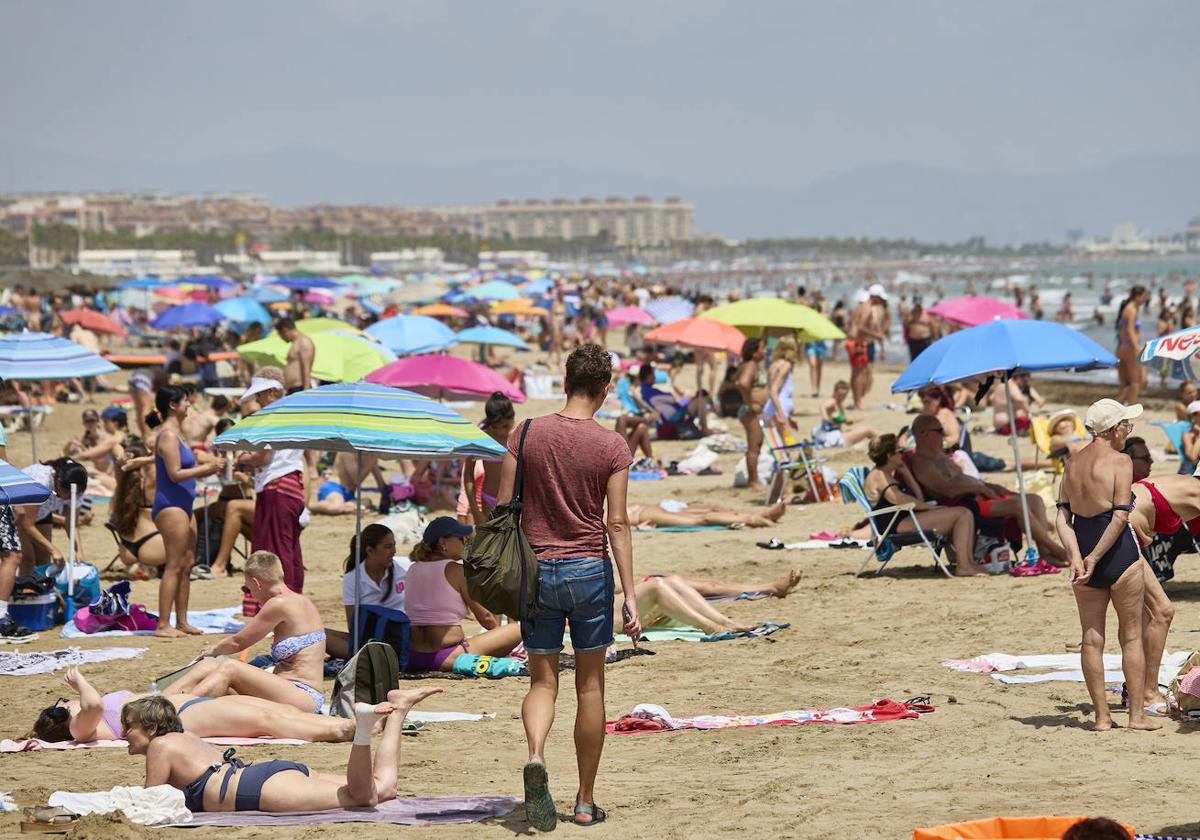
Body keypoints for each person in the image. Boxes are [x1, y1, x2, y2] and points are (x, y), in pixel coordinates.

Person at [495, 343, 639, 829]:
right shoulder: (613, 446)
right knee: (591, 685)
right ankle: (583, 801)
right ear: (604, 390)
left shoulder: (526, 432)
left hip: (536, 570)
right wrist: (631, 593)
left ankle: (536, 755)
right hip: (588, 571)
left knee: (542, 680)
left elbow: (501, 508)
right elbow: (615, 523)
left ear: (563, 383)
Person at [120, 687, 442, 812]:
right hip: (264, 776)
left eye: (130, 726)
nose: (124, 734)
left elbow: (152, 804)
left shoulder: (160, 746)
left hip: (255, 789)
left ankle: (363, 728)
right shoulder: (185, 737)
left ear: (151, 728)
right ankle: (398, 710)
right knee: (381, 789)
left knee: (362, 796)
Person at [1054, 398, 1159, 731]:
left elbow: (1061, 515)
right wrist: (1096, 556)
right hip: (1116, 553)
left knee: (1091, 638)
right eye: (1127, 425)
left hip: (1083, 548)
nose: (1128, 430)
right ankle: (1137, 716)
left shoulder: (1072, 462)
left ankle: (1101, 717)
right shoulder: (1121, 460)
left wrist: (1075, 556)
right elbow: (1119, 516)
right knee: (1130, 636)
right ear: (1114, 429)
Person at [30, 667, 359, 745]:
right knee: (268, 719)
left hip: (190, 706)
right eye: (63, 702)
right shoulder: (78, 727)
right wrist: (80, 683)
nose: (67, 700)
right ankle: (342, 730)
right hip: (186, 716)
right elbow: (95, 705)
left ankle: (351, 725)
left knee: (283, 713)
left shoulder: (80, 718)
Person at [175, 551, 328, 713]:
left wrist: (213, 650)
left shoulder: (278, 604)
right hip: (288, 690)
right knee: (208, 668)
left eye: (247, 589)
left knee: (230, 668)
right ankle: (161, 700)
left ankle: (176, 712)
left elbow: (238, 642)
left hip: (303, 694)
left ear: (257, 583)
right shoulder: (302, 601)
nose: (252, 595)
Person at [907, 414, 1067, 565]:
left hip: (978, 494)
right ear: (923, 434)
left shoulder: (940, 456)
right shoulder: (922, 463)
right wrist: (980, 488)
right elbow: (947, 490)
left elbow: (963, 479)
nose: (944, 434)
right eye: (939, 431)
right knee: (1017, 506)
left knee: (1034, 500)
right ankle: (1054, 549)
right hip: (964, 503)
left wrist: (990, 486)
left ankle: (1045, 554)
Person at [404, 517, 522, 672]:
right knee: (516, 630)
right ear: (443, 543)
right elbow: (485, 618)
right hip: (447, 656)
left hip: (413, 655)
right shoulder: (456, 570)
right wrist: (500, 638)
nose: (465, 541)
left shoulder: (412, 569)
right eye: (460, 538)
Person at [150, 385, 221, 637]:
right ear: (172, 405)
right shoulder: (168, 435)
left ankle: (181, 621)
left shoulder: (176, 434)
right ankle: (162, 625)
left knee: (188, 563)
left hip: (183, 505)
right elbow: (175, 474)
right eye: (185, 402)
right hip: (169, 506)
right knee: (174, 564)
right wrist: (207, 469)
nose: (189, 405)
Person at [865, 434, 982, 576]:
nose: (903, 453)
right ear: (890, 455)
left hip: (905, 519)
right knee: (961, 514)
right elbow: (901, 499)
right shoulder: (879, 476)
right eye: (900, 451)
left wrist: (906, 473)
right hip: (894, 525)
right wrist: (930, 508)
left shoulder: (887, 474)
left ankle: (969, 563)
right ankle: (963, 566)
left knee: (965, 512)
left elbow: (917, 498)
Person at [235, 372, 306, 593]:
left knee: (274, 551)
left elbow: (263, 457)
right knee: (290, 548)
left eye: (260, 396)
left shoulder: (272, 416)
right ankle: (292, 596)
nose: (258, 401)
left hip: (276, 485)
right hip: (292, 485)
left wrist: (242, 459)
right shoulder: (294, 415)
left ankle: (281, 600)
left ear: (271, 392)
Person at [327, 523, 411, 659]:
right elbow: (353, 625)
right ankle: (373, 657)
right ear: (370, 551)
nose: (394, 551)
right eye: (388, 547)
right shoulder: (353, 578)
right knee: (318, 635)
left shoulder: (405, 566)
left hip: (401, 636)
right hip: (369, 640)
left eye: (394, 545)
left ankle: (371, 658)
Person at [16, 457, 90, 572]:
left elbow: (71, 524)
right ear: (58, 480)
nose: (67, 498)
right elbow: (27, 524)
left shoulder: (77, 490)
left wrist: (78, 550)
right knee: (28, 558)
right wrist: (53, 550)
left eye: (72, 495)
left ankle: (39, 588)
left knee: (44, 558)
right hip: (16, 514)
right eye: (65, 492)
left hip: (43, 513)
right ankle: (25, 589)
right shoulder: (40, 482)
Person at [110, 438, 166, 579]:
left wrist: (123, 457)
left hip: (127, 548)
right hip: (153, 543)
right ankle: (151, 565)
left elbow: (115, 445)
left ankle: (140, 566)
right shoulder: (153, 477)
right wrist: (153, 453)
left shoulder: (122, 475)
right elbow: (173, 454)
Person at [461, 392, 517, 525]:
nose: (500, 432)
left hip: (516, 500)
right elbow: (468, 473)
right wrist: (475, 511)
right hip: (488, 499)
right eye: (495, 427)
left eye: (505, 426)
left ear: (513, 419)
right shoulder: (481, 437)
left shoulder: (518, 435)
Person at [310, 451, 386, 517]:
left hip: (349, 494)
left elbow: (381, 484)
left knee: (368, 501)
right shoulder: (347, 450)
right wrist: (372, 461)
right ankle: (309, 507)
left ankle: (346, 508)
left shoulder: (370, 456)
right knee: (337, 507)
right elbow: (356, 479)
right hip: (334, 487)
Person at [735, 337, 767, 489]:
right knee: (754, 446)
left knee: (756, 445)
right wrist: (751, 403)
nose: (765, 351)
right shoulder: (751, 365)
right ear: (754, 353)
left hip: (751, 410)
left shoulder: (749, 365)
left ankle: (754, 479)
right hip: (750, 411)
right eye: (762, 348)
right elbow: (743, 383)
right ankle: (753, 480)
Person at [626, 498, 786, 529]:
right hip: (648, 512)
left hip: (647, 514)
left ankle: (757, 516)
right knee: (704, 516)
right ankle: (754, 517)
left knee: (702, 518)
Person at [813, 381, 876, 448]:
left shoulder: (839, 404)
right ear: (835, 392)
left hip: (834, 435)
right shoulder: (833, 401)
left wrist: (853, 421)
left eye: (844, 396)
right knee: (868, 430)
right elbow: (823, 406)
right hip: (832, 437)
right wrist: (826, 419)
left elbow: (845, 421)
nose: (841, 398)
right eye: (840, 395)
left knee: (855, 431)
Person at [1115, 286, 1150, 405]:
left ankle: (1117, 407)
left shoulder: (1128, 308)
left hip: (1123, 346)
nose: (1146, 299)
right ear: (1138, 296)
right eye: (1144, 296)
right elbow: (1130, 330)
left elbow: (1121, 331)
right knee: (1136, 382)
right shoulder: (1132, 310)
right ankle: (1131, 409)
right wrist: (1136, 348)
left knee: (1125, 383)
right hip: (1130, 346)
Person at [762, 336, 797, 433]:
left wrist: (791, 415)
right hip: (780, 407)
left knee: (775, 444)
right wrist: (781, 413)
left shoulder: (772, 365)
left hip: (769, 407)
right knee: (784, 443)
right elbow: (774, 390)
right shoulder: (786, 365)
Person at [276, 318, 315, 394]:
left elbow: (306, 367)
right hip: (293, 388)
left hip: (300, 388)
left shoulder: (304, 341)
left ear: (285, 330)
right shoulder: (296, 343)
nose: (281, 338)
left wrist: (306, 391)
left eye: (280, 335)